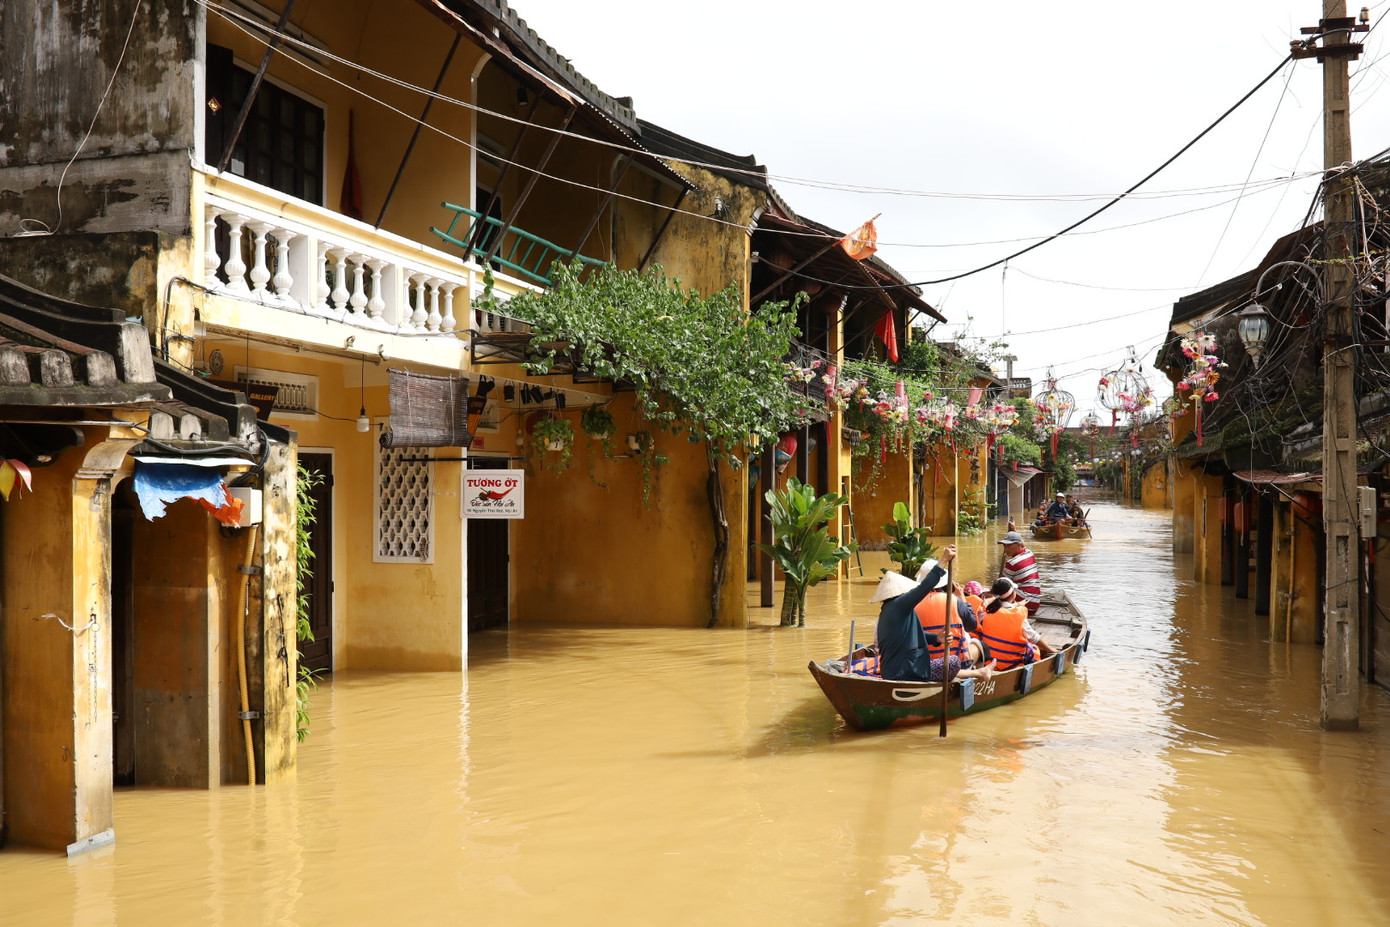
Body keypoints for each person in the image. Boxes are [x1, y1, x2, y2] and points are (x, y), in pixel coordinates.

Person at [872, 545, 995, 683]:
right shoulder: (900, 604)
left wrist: (936, 638)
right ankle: (980, 672)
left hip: (891, 671)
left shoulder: (887, 610)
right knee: (953, 662)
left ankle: (980, 672)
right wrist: (943, 561)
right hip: (907, 672)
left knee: (947, 663)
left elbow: (910, 635)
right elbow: (924, 587)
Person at [977, 577, 1056, 668]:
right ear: (1013, 594)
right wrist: (1051, 649)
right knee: (1035, 649)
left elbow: (999, 608)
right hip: (1011, 665)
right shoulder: (1017, 615)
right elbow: (1034, 637)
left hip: (989, 663)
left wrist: (1017, 605)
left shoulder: (986, 612)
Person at [996, 529, 1042, 613]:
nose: (1006, 549)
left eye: (1009, 546)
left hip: (1027, 604)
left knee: (999, 589)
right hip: (1035, 601)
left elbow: (1001, 587)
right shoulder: (1029, 553)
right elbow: (1023, 544)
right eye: (1005, 546)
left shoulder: (1012, 563)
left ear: (1018, 545)